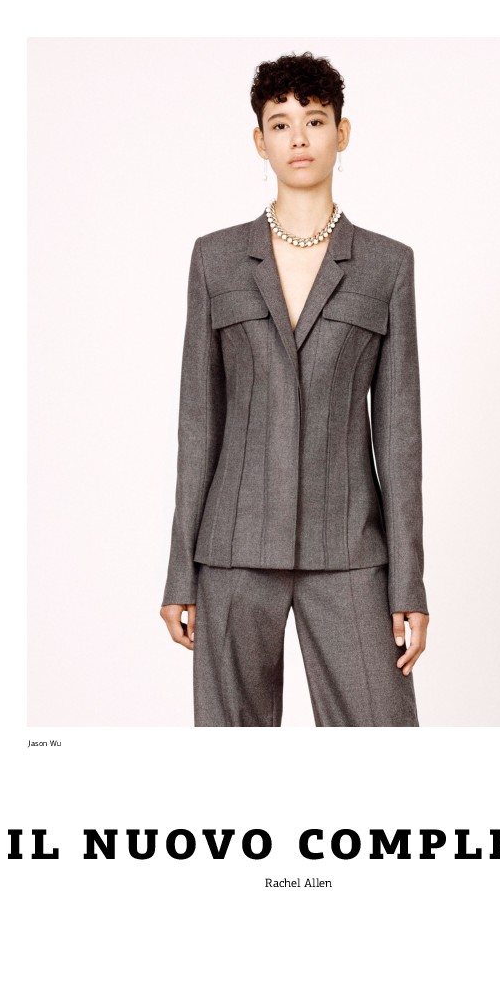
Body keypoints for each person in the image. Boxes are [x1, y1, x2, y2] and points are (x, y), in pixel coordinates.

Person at [160, 51, 429, 727]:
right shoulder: (216, 259)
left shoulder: (387, 265)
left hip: (349, 548)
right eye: (280, 124)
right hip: (232, 548)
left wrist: (408, 583)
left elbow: (399, 438)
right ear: (260, 140)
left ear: (342, 132)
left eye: (314, 120)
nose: (298, 137)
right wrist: (179, 570)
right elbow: (198, 424)